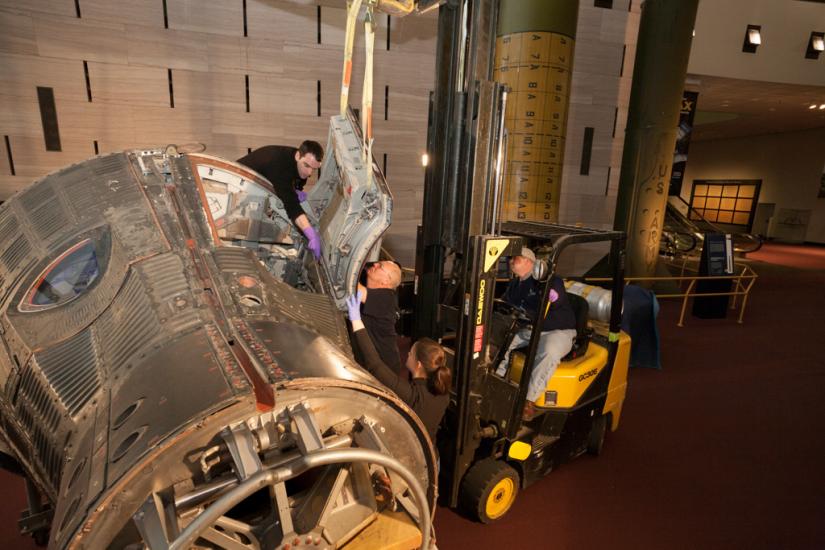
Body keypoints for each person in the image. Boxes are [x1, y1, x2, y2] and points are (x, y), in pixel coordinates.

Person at [346, 292, 450, 443]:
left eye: (412, 353)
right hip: (431, 454)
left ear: (419, 365)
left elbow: (374, 364)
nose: (408, 353)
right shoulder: (443, 395)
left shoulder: (413, 396)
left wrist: (356, 320)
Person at [495, 247, 577, 418]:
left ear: (528, 261)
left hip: (556, 330)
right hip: (530, 327)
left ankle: (528, 400)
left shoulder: (547, 280)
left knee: (549, 351)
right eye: (510, 259)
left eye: (515, 259)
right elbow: (505, 303)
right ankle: (495, 381)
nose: (511, 262)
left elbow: (557, 296)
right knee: (502, 338)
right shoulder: (516, 283)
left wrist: (552, 295)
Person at [237, 141, 324, 259]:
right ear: (298, 156)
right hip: (238, 184)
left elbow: (298, 180)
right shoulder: (280, 168)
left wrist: (296, 189)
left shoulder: (300, 160)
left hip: (258, 183)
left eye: (314, 169)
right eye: (307, 166)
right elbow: (292, 207)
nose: (309, 172)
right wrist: (310, 233)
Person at [353, 260, 404, 370]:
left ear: (386, 281)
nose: (375, 264)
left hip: (385, 368)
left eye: (380, 266)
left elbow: (353, 288)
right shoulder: (374, 294)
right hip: (370, 362)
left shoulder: (387, 298)